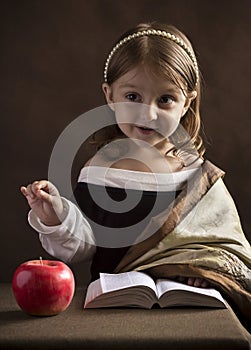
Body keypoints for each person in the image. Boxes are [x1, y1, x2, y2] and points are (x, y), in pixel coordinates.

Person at [21, 22, 251, 321]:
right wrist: (53, 214)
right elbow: (82, 246)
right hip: (111, 312)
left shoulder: (195, 174)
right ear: (109, 95)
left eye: (165, 99)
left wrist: (201, 272)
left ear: (186, 104)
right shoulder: (98, 170)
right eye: (132, 97)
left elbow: (223, 247)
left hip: (187, 312)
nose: (148, 113)